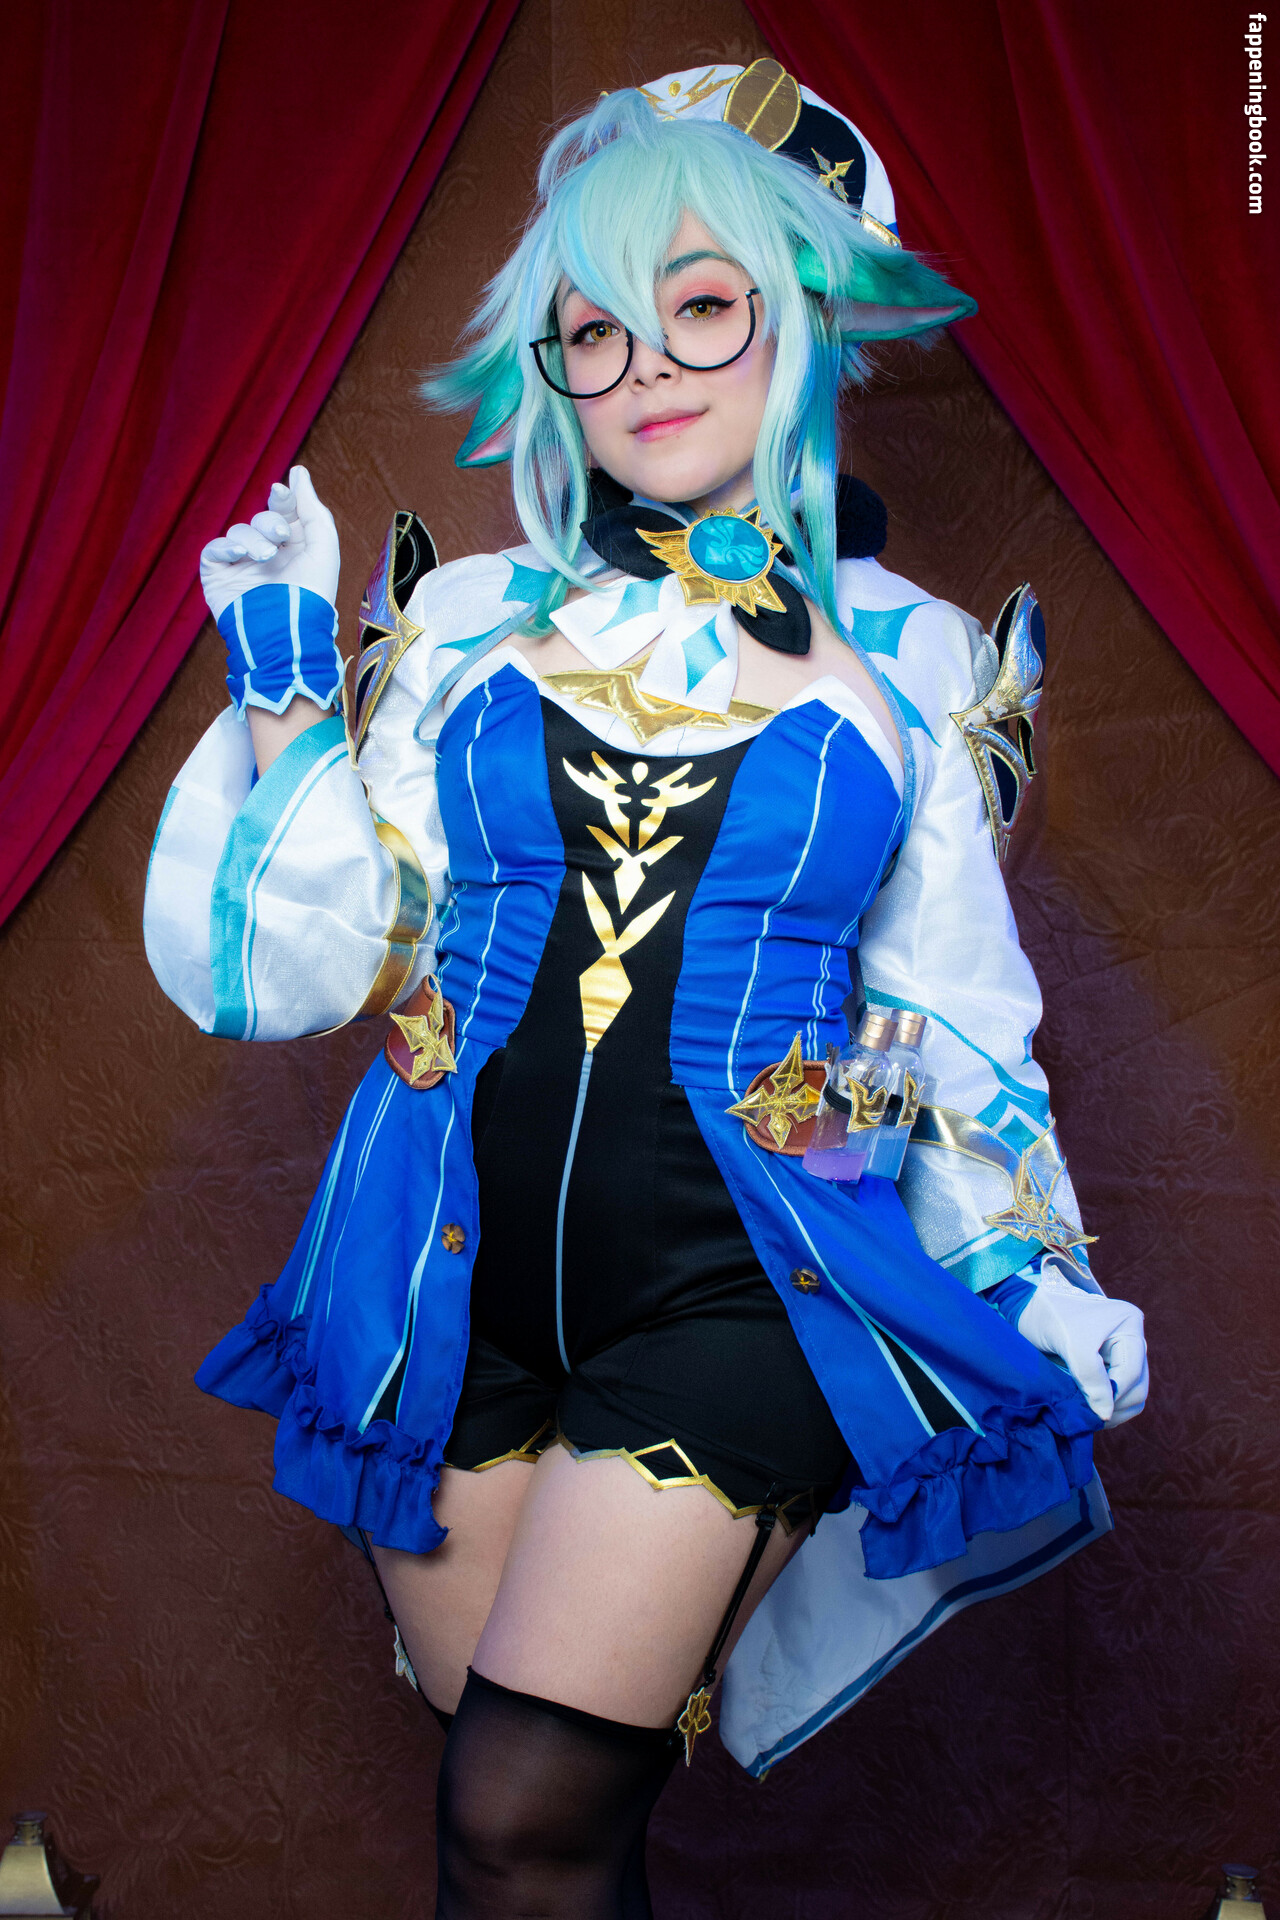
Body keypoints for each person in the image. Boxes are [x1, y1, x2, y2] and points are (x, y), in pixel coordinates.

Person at [144, 61, 1148, 1919]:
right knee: (522, 1844)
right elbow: (328, 962)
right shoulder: (464, 622)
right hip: (442, 1268)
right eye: (595, 332)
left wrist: (1030, 1265)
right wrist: (282, 679)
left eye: (700, 308)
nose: (645, 371)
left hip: (741, 1279)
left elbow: (943, 1017)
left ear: (806, 315)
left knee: (525, 1817)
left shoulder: (921, 661)